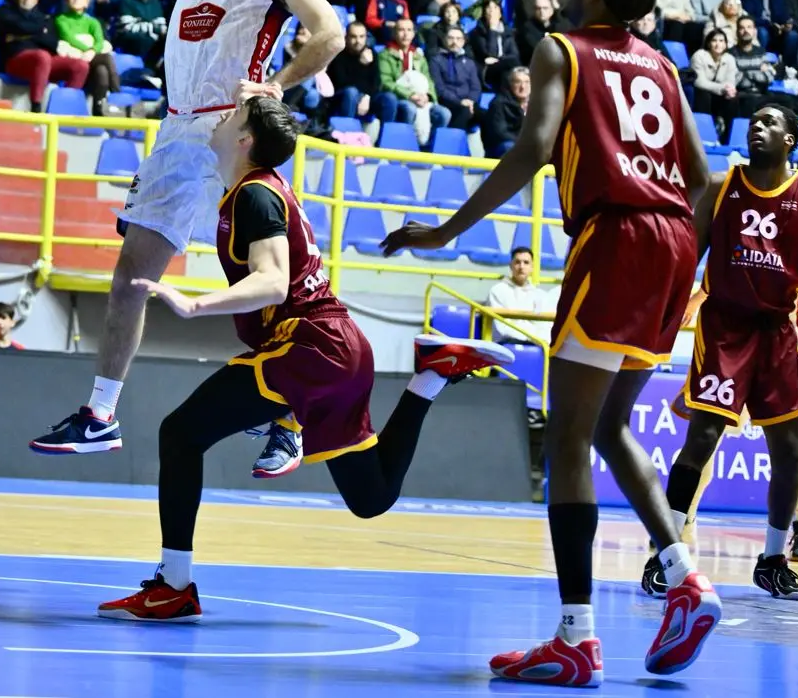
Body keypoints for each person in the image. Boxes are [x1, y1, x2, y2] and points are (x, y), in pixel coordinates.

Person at [382, 0, 721, 687]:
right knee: (609, 428)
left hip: (618, 235)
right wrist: (677, 254)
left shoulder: (559, 48)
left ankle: (577, 638)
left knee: (567, 436)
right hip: (673, 242)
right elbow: (702, 178)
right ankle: (684, 577)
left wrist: (445, 231)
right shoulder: (663, 66)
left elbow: (535, 148)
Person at [30, 0, 342, 459]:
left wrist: (279, 85)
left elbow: (330, 32)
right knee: (132, 276)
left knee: (264, 283)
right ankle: (101, 416)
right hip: (178, 132)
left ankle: (290, 415)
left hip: (230, 136)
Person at [94, 96, 514, 621]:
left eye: (233, 116)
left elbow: (272, 282)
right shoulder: (254, 188)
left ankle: (174, 586)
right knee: (371, 498)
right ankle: (430, 376)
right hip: (338, 349)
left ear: (245, 140)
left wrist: (195, 304)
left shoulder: (255, 195)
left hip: (309, 348)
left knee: (180, 434)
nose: (222, 117)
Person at [642, 106, 798, 600]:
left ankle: (771, 560)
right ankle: (665, 555)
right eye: (754, 122)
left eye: (770, 122)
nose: (757, 127)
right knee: (702, 437)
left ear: (791, 139)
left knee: (787, 449)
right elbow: (688, 254)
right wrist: (664, 308)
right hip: (725, 329)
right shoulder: (722, 186)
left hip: (780, 334)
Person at [485, 245, 556, 341]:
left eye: (526, 262)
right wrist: (532, 333)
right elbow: (502, 328)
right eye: (517, 262)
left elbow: (545, 328)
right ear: (511, 266)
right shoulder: (498, 291)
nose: (521, 267)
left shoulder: (541, 295)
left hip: (536, 345)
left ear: (532, 267)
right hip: (506, 345)